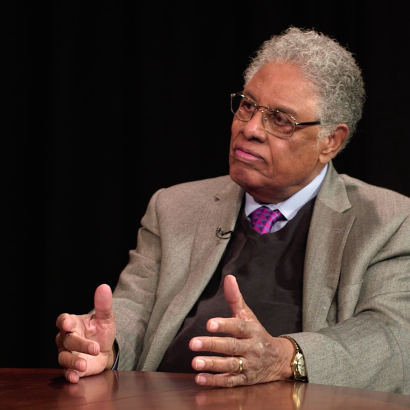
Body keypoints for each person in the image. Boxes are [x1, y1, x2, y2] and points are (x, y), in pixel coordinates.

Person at [55, 27, 410, 394]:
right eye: (248, 106)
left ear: (330, 142)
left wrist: (285, 356)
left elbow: (393, 338)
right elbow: (135, 311)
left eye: (280, 120)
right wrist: (105, 346)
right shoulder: (174, 207)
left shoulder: (389, 221)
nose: (251, 128)